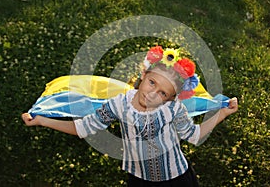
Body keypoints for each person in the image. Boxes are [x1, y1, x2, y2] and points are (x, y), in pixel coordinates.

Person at [22, 46, 238, 186]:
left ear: (172, 97)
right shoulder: (119, 104)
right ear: (143, 75)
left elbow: (194, 135)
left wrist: (222, 112)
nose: (153, 94)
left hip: (177, 178)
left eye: (163, 92)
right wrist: (42, 121)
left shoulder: (173, 109)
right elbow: (82, 128)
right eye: (152, 83)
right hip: (138, 178)